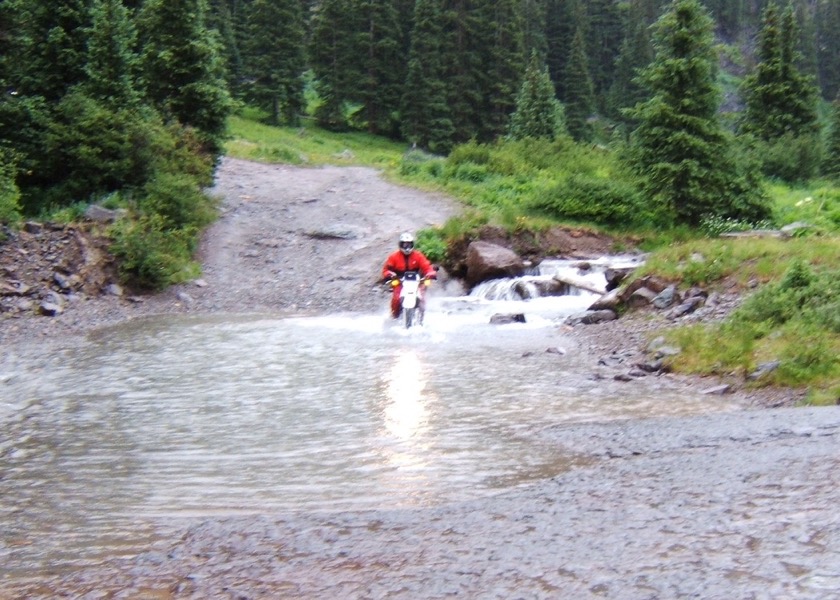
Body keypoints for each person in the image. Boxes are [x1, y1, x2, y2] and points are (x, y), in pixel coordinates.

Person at [382, 232, 437, 319]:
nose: (407, 247)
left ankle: (422, 318)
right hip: (399, 281)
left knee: (422, 298)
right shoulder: (393, 257)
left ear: (412, 245)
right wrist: (389, 274)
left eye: (409, 244)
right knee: (396, 299)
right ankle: (394, 317)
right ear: (400, 245)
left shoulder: (418, 255)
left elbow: (427, 266)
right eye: (404, 245)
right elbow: (386, 269)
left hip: (416, 281)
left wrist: (430, 273)